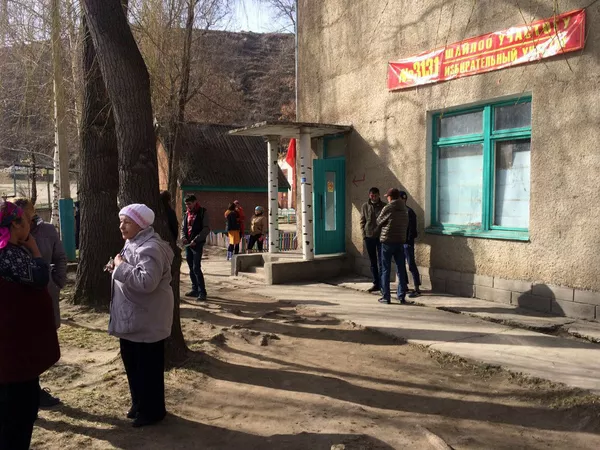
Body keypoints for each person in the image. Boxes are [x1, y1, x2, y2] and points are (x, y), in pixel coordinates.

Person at [107, 203, 174, 428]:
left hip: (147, 320)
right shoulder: (133, 242)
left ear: (141, 224)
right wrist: (116, 266)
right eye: (121, 221)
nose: (121, 226)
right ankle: (139, 403)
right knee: (133, 364)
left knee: (148, 369)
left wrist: (120, 266)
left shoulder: (151, 248)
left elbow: (147, 282)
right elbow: (129, 269)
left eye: (127, 222)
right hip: (133, 319)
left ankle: (153, 411)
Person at [0, 201, 60, 449]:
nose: (29, 225)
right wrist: (35, 249)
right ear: (15, 225)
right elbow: (40, 277)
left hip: (11, 351)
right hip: (14, 354)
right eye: (25, 221)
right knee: (17, 419)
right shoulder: (10, 255)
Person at [14, 198, 67, 408]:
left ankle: (34, 389)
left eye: (26, 217)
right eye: (19, 218)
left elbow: (60, 256)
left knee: (41, 342)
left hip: (45, 294)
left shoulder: (47, 230)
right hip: (21, 298)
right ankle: (30, 391)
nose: (22, 222)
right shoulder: (10, 235)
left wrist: (57, 282)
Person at [374, 188, 409, 304]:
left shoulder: (388, 207)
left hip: (387, 241)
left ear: (390, 197)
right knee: (401, 269)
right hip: (400, 241)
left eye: (387, 197)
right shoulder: (404, 208)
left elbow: (378, 221)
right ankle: (401, 296)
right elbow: (406, 223)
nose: (387, 199)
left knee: (386, 269)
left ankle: (386, 296)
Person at [181, 195, 210, 301]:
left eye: (189, 204)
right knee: (190, 267)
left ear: (195, 202)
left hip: (197, 244)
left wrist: (196, 240)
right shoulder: (186, 214)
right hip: (188, 244)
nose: (188, 206)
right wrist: (183, 238)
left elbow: (206, 229)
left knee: (196, 267)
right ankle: (195, 289)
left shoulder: (202, 212)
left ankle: (202, 292)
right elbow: (183, 228)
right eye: (186, 204)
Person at [360, 187, 386, 293]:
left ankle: (383, 285)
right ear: (369, 195)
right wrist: (364, 235)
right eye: (371, 195)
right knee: (373, 261)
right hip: (369, 237)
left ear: (379, 195)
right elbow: (362, 221)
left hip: (380, 237)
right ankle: (376, 283)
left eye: (375, 195)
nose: (373, 197)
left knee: (382, 261)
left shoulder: (384, 206)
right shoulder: (365, 206)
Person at [399, 191, 421, 297]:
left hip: (407, 243)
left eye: (402, 199)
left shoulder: (409, 212)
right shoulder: (398, 211)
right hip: (399, 242)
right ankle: (404, 285)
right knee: (400, 265)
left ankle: (417, 288)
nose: (401, 201)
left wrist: (408, 241)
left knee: (411, 264)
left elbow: (412, 230)